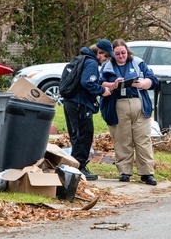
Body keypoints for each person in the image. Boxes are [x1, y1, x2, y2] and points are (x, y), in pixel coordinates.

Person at [98, 38, 159, 185]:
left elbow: (153, 80)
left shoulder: (138, 63)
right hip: (118, 104)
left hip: (138, 104)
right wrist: (113, 85)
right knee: (122, 139)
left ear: (127, 51)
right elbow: (99, 83)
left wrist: (142, 84)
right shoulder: (107, 66)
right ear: (113, 54)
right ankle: (124, 172)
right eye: (117, 54)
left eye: (123, 53)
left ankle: (147, 173)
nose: (121, 56)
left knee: (143, 139)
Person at [62, 42, 111, 181]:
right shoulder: (91, 63)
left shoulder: (80, 58)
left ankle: (75, 167)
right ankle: (79, 167)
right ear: (99, 52)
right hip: (80, 104)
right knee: (84, 135)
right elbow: (87, 82)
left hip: (70, 102)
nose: (105, 60)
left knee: (76, 135)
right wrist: (102, 91)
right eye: (105, 56)